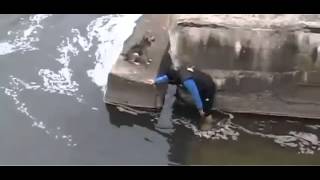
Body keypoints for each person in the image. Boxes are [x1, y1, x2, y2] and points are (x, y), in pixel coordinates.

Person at [149, 65, 217, 124]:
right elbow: (167, 78)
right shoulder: (178, 71)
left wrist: (200, 109)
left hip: (208, 86)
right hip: (201, 80)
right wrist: (155, 81)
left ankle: (208, 121)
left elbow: (195, 94)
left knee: (205, 110)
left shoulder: (187, 81)